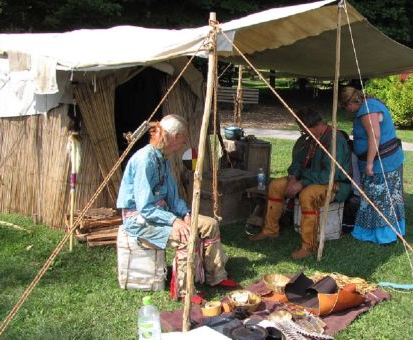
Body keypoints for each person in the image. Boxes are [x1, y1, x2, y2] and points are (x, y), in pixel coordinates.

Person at [117, 114, 236, 300]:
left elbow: (173, 196)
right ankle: (183, 290)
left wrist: (185, 214)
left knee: (210, 224)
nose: (185, 142)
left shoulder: (163, 159)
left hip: (162, 213)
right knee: (185, 237)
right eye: (183, 137)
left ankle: (216, 276)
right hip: (140, 220)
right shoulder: (144, 161)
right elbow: (145, 208)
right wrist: (174, 221)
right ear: (173, 137)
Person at [250, 107, 351, 259]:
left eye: (303, 129)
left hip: (335, 184)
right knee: (276, 185)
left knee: (307, 195)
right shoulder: (311, 138)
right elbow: (298, 162)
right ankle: (270, 230)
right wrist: (292, 178)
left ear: (314, 125)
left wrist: (302, 183)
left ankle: (308, 246)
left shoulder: (335, 141)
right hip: (308, 179)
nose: (303, 132)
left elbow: (329, 175)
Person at [339, 86, 406, 244]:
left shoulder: (367, 110)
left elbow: (375, 136)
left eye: (345, 106)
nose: (347, 110)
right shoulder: (371, 105)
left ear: (350, 102)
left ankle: (385, 236)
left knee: (380, 199)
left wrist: (369, 163)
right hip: (387, 161)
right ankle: (394, 231)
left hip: (380, 163)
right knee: (390, 197)